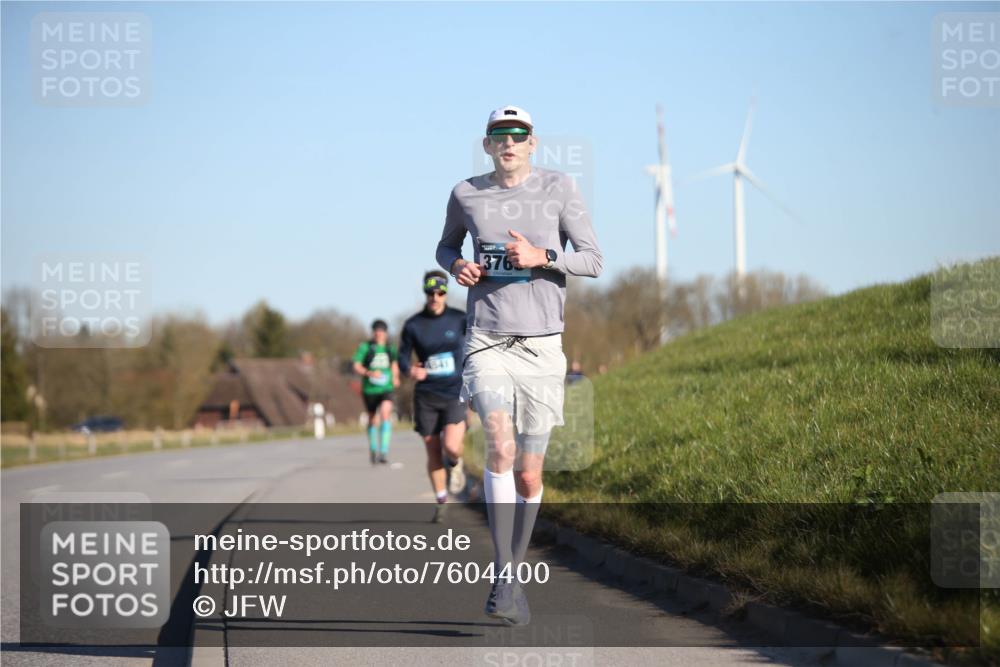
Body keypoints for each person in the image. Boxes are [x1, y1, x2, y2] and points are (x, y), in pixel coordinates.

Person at [436, 105, 603, 625]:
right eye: (498, 135)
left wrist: (543, 258)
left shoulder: (560, 188)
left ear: (533, 143)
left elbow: (593, 260)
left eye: (518, 134)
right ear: (487, 145)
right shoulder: (466, 193)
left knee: (530, 474)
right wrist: (457, 264)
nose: (508, 142)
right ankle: (504, 576)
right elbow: (445, 247)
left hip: (542, 345)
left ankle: (512, 571)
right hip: (485, 337)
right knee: (499, 443)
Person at [398, 270, 468, 523]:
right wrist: (409, 370)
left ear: (446, 292)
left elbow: (476, 342)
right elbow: (403, 358)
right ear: (425, 293)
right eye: (430, 293)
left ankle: (457, 464)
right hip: (426, 396)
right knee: (433, 451)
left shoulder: (460, 319)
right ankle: (441, 500)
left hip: (454, 392)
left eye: (440, 292)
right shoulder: (413, 325)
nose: (435, 297)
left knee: (450, 446)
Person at [352, 319, 400, 464]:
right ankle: (373, 448)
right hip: (370, 389)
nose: (379, 334)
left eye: (382, 331)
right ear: (373, 332)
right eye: (376, 331)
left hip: (386, 388)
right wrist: (369, 373)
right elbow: (356, 365)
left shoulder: (390, 348)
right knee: (373, 419)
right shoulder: (366, 347)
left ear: (385, 333)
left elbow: (394, 364)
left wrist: (396, 377)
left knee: (385, 414)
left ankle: (384, 451)